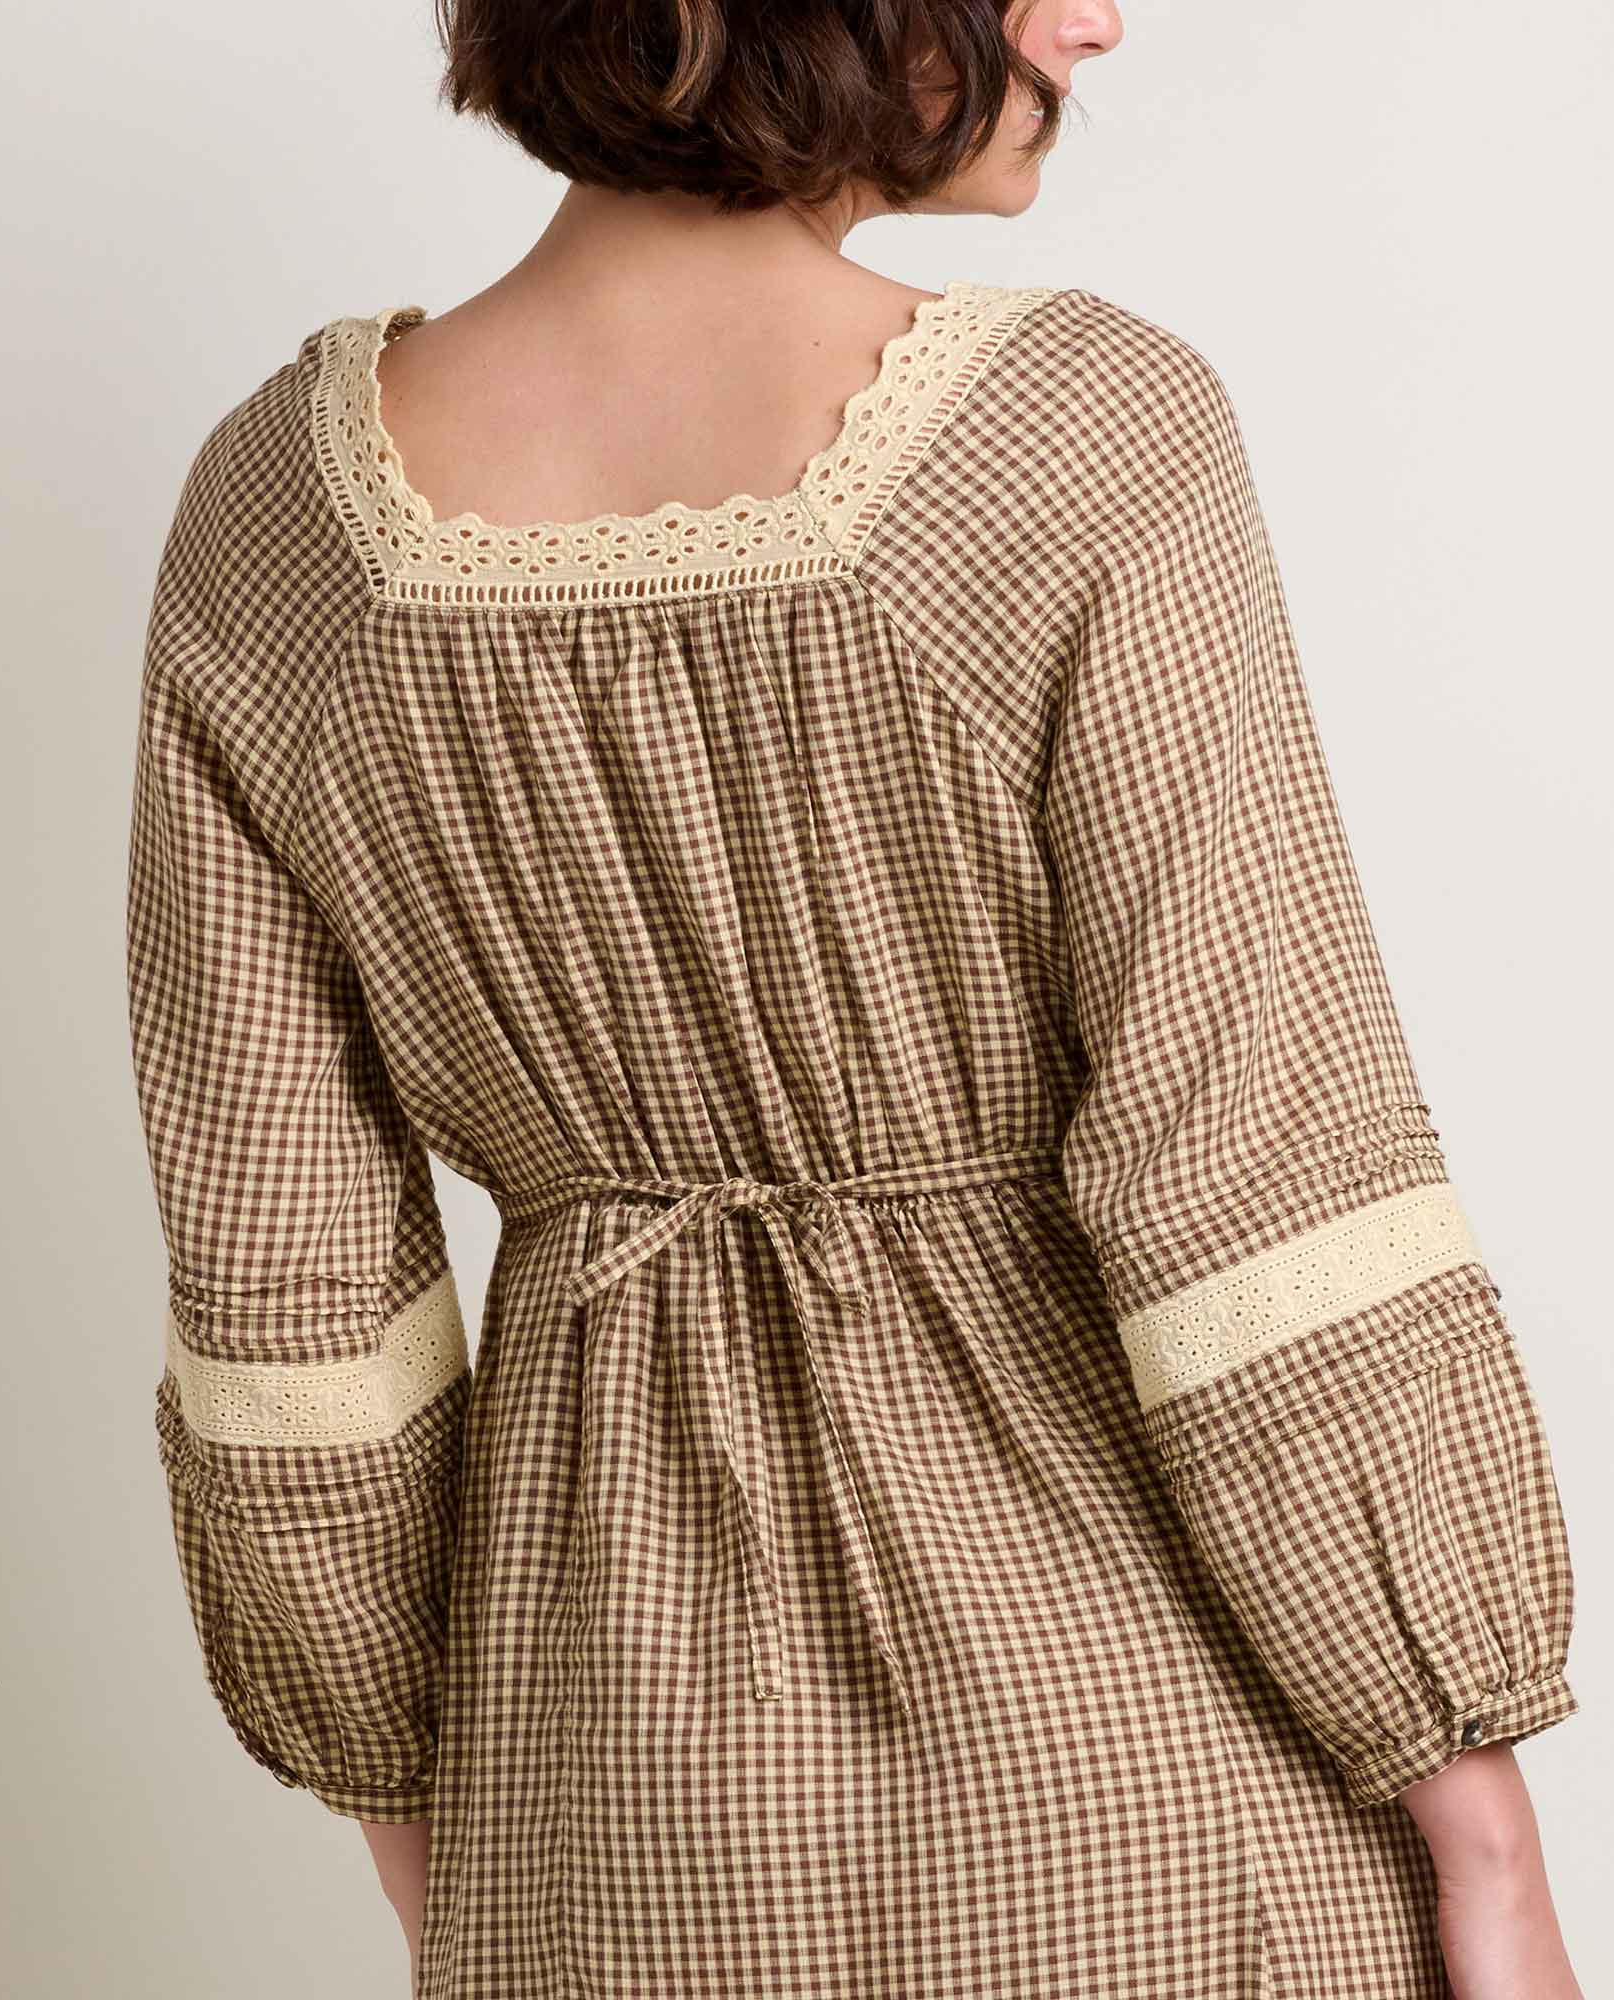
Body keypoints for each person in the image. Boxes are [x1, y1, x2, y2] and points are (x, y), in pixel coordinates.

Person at [123, 3, 1585, 1995]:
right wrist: (1485, 1830)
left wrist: (429, 1845)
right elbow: (1253, 1173)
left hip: (592, 1812)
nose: (1097, 20)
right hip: (1142, 1790)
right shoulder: (1083, 433)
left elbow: (284, 1298)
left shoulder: (271, 522)